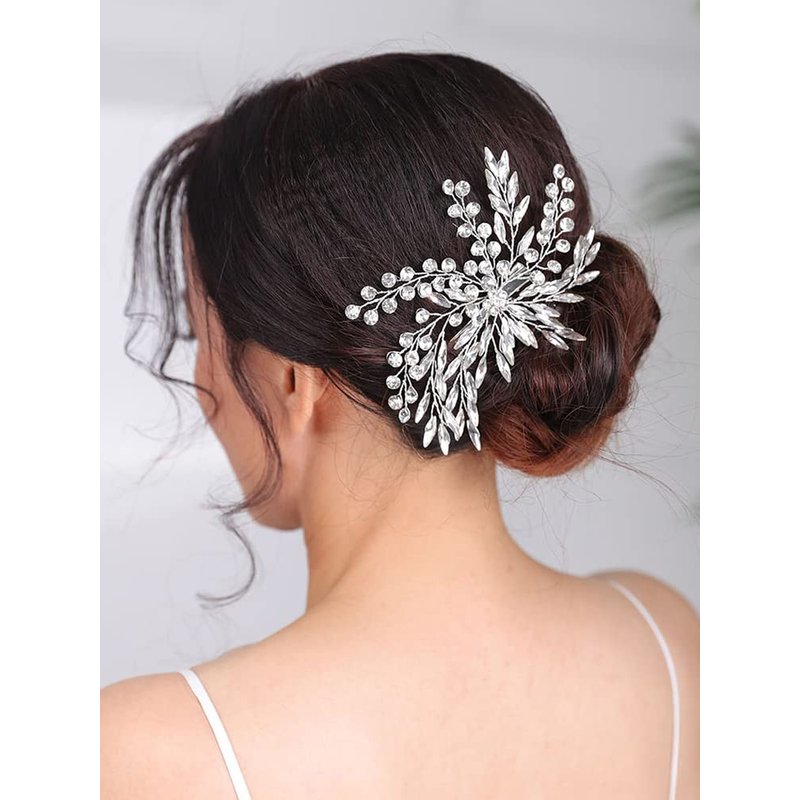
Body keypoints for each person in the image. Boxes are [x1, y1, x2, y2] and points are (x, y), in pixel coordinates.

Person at [101, 52, 699, 799]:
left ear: (292, 380)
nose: (199, 382)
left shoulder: (151, 753)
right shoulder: (666, 642)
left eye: (200, 335)